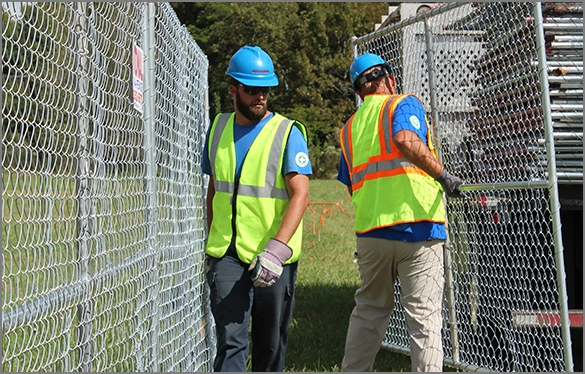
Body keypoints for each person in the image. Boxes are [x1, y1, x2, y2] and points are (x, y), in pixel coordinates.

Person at [337, 52, 464, 372]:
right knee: (424, 319)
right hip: (418, 227)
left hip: (371, 233)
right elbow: (405, 139)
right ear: (389, 79)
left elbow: (351, 182)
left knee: (369, 311)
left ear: (359, 90)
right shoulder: (403, 103)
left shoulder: (349, 129)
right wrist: (443, 175)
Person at [201, 45, 312, 372]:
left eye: (265, 90)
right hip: (228, 256)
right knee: (231, 342)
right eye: (251, 90)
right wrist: (213, 244)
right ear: (233, 89)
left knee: (270, 344)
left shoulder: (287, 133)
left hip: (272, 257)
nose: (259, 97)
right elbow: (215, 189)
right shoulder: (218, 128)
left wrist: (276, 252)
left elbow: (301, 194)